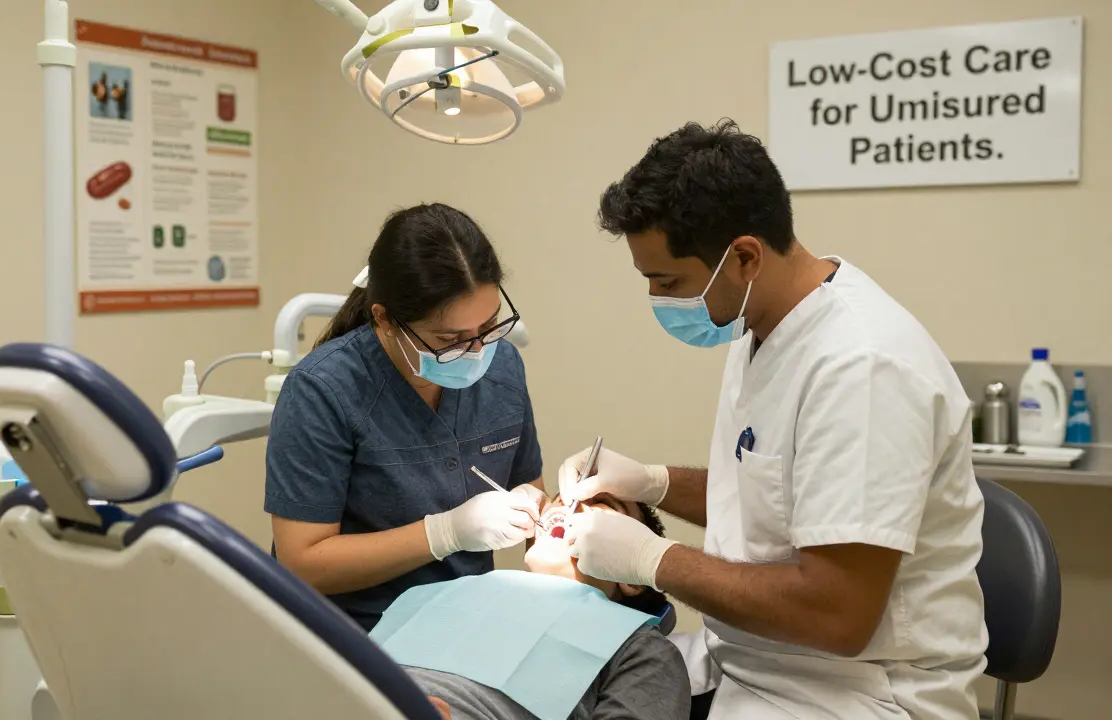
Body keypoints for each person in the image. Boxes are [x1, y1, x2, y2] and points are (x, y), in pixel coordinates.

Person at [559, 120, 989, 719]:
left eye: (668, 280)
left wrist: (649, 559)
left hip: (852, 692)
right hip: (754, 660)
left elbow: (836, 614)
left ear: (743, 257)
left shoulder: (861, 368)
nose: (658, 297)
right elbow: (777, 502)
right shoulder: (761, 320)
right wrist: (650, 482)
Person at [265, 203, 548, 631]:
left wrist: (552, 519)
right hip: (358, 636)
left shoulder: (502, 365)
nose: (476, 352)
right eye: (449, 339)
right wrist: (445, 533)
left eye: (488, 327)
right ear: (385, 320)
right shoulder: (323, 390)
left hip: (469, 624)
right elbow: (303, 562)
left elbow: (528, 488)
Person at [388, 492, 691, 720]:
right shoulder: (443, 595)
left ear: (633, 578)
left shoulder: (641, 651)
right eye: (563, 497)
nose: (570, 504)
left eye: (603, 504)